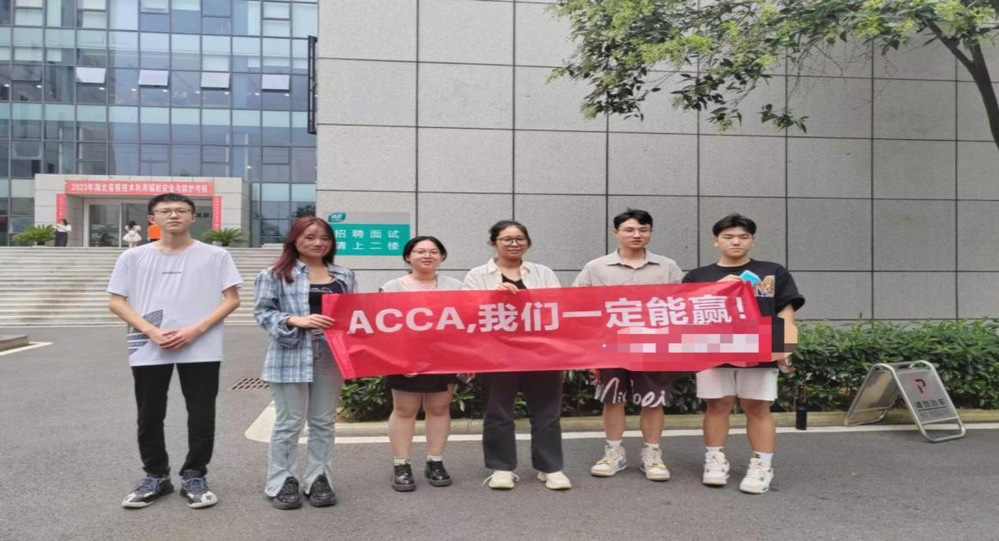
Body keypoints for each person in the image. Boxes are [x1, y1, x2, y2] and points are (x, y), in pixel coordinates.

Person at [108, 193, 242, 509]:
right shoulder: (133, 257)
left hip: (202, 346)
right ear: (151, 219)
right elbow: (116, 301)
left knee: (201, 413)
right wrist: (151, 331)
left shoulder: (216, 255)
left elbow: (232, 299)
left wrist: (195, 330)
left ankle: (195, 475)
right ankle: (156, 476)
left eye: (181, 210)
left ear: (193, 217)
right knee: (149, 413)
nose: (174, 215)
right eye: (165, 211)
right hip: (148, 345)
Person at [682, 213, 804, 495]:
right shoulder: (698, 276)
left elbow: (786, 310)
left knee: (757, 407)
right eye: (728, 237)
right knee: (717, 405)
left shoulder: (773, 271)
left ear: (752, 241)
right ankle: (714, 460)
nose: (736, 242)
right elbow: (685, 312)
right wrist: (717, 289)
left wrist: (784, 346)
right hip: (712, 350)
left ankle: (762, 466)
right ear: (715, 241)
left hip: (760, 349)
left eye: (743, 236)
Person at [253, 216, 356, 510]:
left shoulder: (344, 275)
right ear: (295, 240)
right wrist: (294, 320)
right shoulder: (274, 274)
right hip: (290, 353)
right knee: (289, 422)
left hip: (330, 354)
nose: (318, 243)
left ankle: (319, 477)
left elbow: (353, 314)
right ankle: (282, 480)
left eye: (324, 238)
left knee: (323, 421)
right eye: (310, 237)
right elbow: (262, 313)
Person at [573, 209, 684, 482]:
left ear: (650, 232)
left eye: (643, 230)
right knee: (612, 400)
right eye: (630, 230)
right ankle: (613, 453)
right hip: (609, 347)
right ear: (616, 233)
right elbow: (577, 307)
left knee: (653, 401)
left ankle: (652, 454)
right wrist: (588, 353)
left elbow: (682, 306)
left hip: (654, 347)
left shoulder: (667, 266)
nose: (637, 235)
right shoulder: (596, 267)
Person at [463, 220, 571, 491]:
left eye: (520, 238)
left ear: (528, 242)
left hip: (542, 352)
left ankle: (550, 467)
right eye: (507, 239)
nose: (514, 244)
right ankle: (502, 468)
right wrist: (492, 297)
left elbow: (557, 307)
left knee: (547, 411)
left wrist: (528, 297)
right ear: (494, 243)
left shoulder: (542, 272)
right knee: (498, 411)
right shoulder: (478, 275)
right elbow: (465, 311)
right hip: (496, 353)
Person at [379, 236, 463, 492]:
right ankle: (401, 464)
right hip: (404, 358)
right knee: (405, 410)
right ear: (408, 257)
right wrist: (396, 360)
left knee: (439, 408)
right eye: (420, 251)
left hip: (444, 357)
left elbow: (467, 324)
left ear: (442, 257)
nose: (427, 256)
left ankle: (435, 461)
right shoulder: (391, 287)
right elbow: (381, 328)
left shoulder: (457, 287)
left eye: (434, 251)